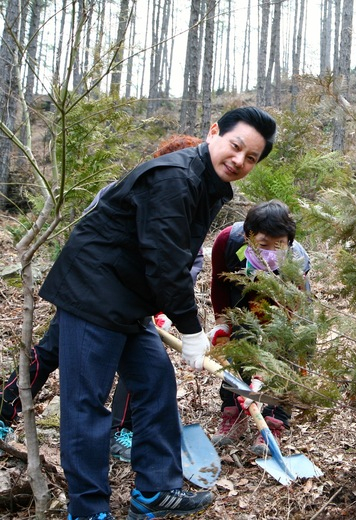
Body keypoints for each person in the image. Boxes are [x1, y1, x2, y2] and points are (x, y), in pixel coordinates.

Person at [37, 107, 277, 520]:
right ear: (214, 132)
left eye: (251, 157)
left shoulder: (208, 184)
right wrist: (190, 329)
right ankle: (88, 510)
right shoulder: (174, 177)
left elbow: (173, 260)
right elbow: (166, 263)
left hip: (129, 300)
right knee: (86, 405)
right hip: (93, 293)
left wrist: (176, 318)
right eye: (236, 147)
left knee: (155, 384)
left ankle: (154, 490)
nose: (239, 161)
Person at [0, 134, 203, 465]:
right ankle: (4, 411)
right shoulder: (124, 191)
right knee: (51, 351)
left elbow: (186, 261)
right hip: (89, 298)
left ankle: (122, 431)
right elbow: (92, 241)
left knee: (139, 366)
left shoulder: (190, 205)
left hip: (136, 306)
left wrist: (167, 306)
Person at [207, 199, 311, 456]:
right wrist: (222, 323)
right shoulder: (227, 242)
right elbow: (219, 284)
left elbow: (289, 319)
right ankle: (234, 411)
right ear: (248, 236)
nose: (270, 253)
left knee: (286, 355)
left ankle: (273, 420)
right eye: (264, 245)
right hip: (241, 301)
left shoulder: (296, 261)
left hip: (284, 313)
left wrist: (263, 375)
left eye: (279, 246)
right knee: (235, 347)